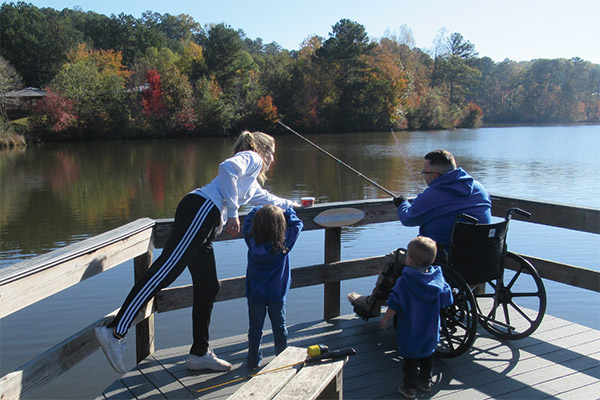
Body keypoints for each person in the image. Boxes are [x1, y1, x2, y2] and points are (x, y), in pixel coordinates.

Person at [95, 130, 300, 374]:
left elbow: (267, 198)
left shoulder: (250, 181)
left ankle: (199, 353)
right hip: (202, 210)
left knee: (209, 285)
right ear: (262, 150)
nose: (273, 160)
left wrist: (296, 204)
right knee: (165, 271)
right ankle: (115, 330)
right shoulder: (252, 158)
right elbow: (226, 168)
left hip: (206, 220)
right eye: (272, 153)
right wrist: (233, 212)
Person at [348, 149, 491, 319]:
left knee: (395, 258)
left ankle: (371, 305)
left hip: (447, 260)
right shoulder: (478, 188)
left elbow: (408, 218)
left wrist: (402, 203)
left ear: (436, 176)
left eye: (425, 172)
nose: (423, 176)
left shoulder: (434, 194)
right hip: (482, 258)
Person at [380, 236, 453, 399]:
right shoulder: (438, 280)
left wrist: (386, 319)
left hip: (410, 330)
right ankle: (425, 382)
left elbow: (395, 303)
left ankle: (409, 388)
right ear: (432, 259)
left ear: (410, 260)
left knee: (410, 360)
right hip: (431, 329)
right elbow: (447, 300)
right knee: (428, 355)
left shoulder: (404, 282)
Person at [242, 205, 303, 369]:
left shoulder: (251, 240)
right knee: (279, 327)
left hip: (255, 295)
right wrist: (288, 210)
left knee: (255, 329)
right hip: (277, 294)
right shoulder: (284, 243)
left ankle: (253, 360)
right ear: (281, 225)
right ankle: (281, 358)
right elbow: (298, 225)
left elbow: (248, 220)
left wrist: (257, 208)